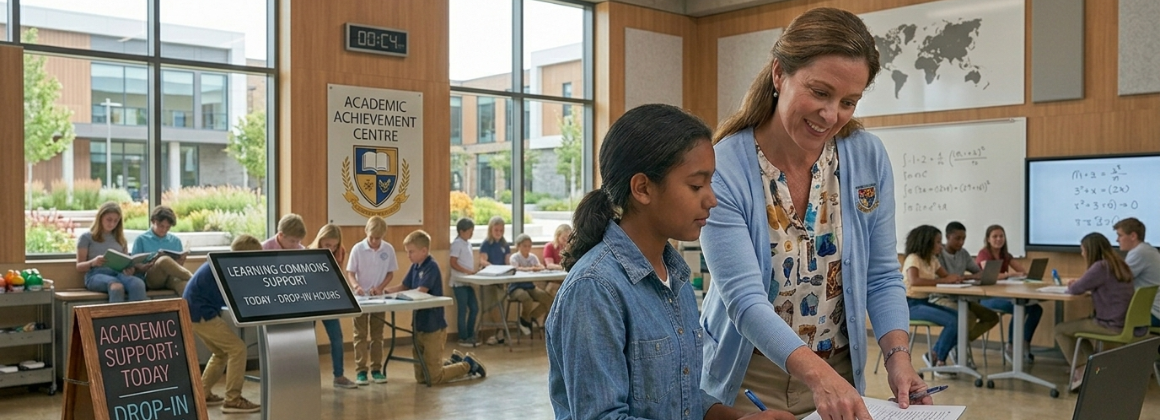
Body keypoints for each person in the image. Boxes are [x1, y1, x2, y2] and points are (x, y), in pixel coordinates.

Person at [698, 7, 928, 418]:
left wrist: (897, 356)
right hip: (749, 378)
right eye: (820, 93)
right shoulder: (725, 167)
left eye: (848, 101)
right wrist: (818, 377)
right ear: (778, 74)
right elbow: (745, 301)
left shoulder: (866, 157)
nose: (831, 115)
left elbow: (881, 274)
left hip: (838, 371)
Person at [546, 103, 793, 420]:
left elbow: (682, 395)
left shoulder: (674, 276)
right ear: (643, 188)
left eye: (710, 183)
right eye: (695, 185)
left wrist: (740, 419)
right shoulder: (595, 290)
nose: (711, 199)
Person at [384, 230, 486, 384]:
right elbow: (404, 285)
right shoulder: (415, 266)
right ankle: (452, 362)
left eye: (411, 252)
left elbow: (421, 291)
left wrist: (400, 296)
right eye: (407, 252)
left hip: (433, 326)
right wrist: (385, 291)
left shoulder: (431, 266)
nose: (408, 255)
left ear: (424, 251)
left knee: (433, 377)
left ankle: (467, 364)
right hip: (419, 325)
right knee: (421, 377)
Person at [184, 235, 263, 413]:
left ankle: (202, 393)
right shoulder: (228, 267)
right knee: (238, 349)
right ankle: (233, 400)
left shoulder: (222, 263)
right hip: (201, 313)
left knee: (221, 353)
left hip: (194, 312)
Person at [1054, 233, 1139, 391]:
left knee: (1060, 329)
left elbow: (1075, 289)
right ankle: (1093, 370)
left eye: (1082, 250)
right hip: (1122, 322)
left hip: (1108, 325)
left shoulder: (1101, 266)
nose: (1082, 254)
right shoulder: (1119, 263)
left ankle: (1081, 371)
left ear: (1089, 250)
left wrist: (1075, 284)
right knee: (1078, 332)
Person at [962, 223, 1041, 362]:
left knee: (1036, 309)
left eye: (1001, 236)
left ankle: (1024, 343)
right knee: (1019, 306)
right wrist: (1008, 275)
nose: (999, 239)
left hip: (1004, 295)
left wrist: (1014, 274)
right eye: (995, 236)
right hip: (986, 297)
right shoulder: (983, 253)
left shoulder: (1006, 255)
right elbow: (989, 274)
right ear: (988, 239)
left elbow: (1022, 271)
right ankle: (1011, 345)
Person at [931, 222, 1000, 366]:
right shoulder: (938, 254)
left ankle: (954, 344)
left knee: (991, 317)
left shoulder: (963, 253)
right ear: (948, 237)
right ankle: (940, 353)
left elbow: (977, 272)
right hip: (941, 297)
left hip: (961, 297)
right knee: (967, 316)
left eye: (964, 239)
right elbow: (946, 278)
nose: (961, 242)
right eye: (957, 238)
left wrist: (977, 275)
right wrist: (968, 277)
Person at [902, 225, 963, 372]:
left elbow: (946, 276)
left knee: (961, 318)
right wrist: (945, 281)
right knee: (952, 321)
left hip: (924, 302)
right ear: (926, 242)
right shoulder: (913, 259)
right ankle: (938, 358)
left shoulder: (933, 260)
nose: (941, 246)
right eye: (937, 242)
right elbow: (914, 280)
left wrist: (955, 279)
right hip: (909, 304)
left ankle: (935, 355)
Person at [346, 216, 397, 385]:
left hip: (378, 299)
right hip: (360, 299)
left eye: (378, 238)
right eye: (372, 237)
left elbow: (390, 273)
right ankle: (361, 371)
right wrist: (356, 286)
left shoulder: (388, 249)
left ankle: (376, 369)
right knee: (360, 335)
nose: (375, 241)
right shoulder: (358, 249)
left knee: (377, 335)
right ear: (366, 232)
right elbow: (351, 273)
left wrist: (381, 287)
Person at [308, 224, 358, 389]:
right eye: (327, 245)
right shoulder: (309, 253)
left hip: (328, 299)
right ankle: (307, 378)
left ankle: (339, 376)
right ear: (320, 241)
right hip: (311, 300)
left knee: (337, 338)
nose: (331, 248)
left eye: (334, 245)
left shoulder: (340, 252)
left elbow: (339, 276)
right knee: (308, 340)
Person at [76, 202, 147, 303]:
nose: (112, 224)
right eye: (109, 220)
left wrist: (129, 268)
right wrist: (93, 262)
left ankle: (138, 318)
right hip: (95, 275)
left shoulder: (120, 239)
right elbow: (79, 266)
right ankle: (116, 318)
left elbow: (125, 261)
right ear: (100, 218)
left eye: (115, 221)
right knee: (116, 286)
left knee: (138, 283)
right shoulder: (86, 237)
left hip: (118, 273)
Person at [131, 205, 193, 295]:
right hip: (151, 278)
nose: (164, 230)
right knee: (163, 260)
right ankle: (194, 278)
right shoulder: (141, 239)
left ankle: (192, 308)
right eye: (161, 226)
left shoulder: (175, 241)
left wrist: (180, 261)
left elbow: (177, 267)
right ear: (153, 221)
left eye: (168, 227)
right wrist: (145, 266)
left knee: (185, 286)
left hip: (170, 278)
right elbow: (134, 264)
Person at [1114, 217, 1160, 327]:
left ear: (1133, 236)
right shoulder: (1148, 250)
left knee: (1099, 319)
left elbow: (1118, 280)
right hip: (1153, 310)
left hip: (1152, 313)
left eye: (1120, 235)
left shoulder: (1139, 252)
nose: (1117, 240)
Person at [508, 233, 552, 335]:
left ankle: (528, 318)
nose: (527, 248)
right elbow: (515, 268)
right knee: (527, 299)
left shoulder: (532, 257)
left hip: (530, 286)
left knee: (548, 299)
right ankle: (525, 319)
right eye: (524, 246)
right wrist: (531, 269)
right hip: (516, 286)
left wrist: (539, 267)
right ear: (518, 246)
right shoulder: (514, 257)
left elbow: (540, 266)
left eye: (529, 246)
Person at [449, 218, 482, 347]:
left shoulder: (467, 243)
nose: (471, 234)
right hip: (459, 282)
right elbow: (453, 262)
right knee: (462, 310)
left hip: (467, 282)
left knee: (474, 308)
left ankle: (470, 334)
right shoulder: (457, 244)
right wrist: (467, 271)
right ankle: (463, 337)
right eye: (469, 231)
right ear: (461, 231)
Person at [479, 216, 511, 345]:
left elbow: (507, 261)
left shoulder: (504, 244)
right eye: (496, 230)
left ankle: (500, 332)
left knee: (500, 305)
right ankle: (501, 330)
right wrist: (492, 267)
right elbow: (482, 260)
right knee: (492, 306)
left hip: (501, 279)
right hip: (490, 278)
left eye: (501, 230)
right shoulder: (486, 244)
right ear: (491, 230)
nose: (498, 233)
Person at [541, 224, 572, 296]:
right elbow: (549, 265)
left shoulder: (571, 248)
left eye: (569, 238)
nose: (566, 241)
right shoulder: (549, 246)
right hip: (552, 278)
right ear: (557, 236)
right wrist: (564, 267)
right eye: (564, 238)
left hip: (566, 278)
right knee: (552, 288)